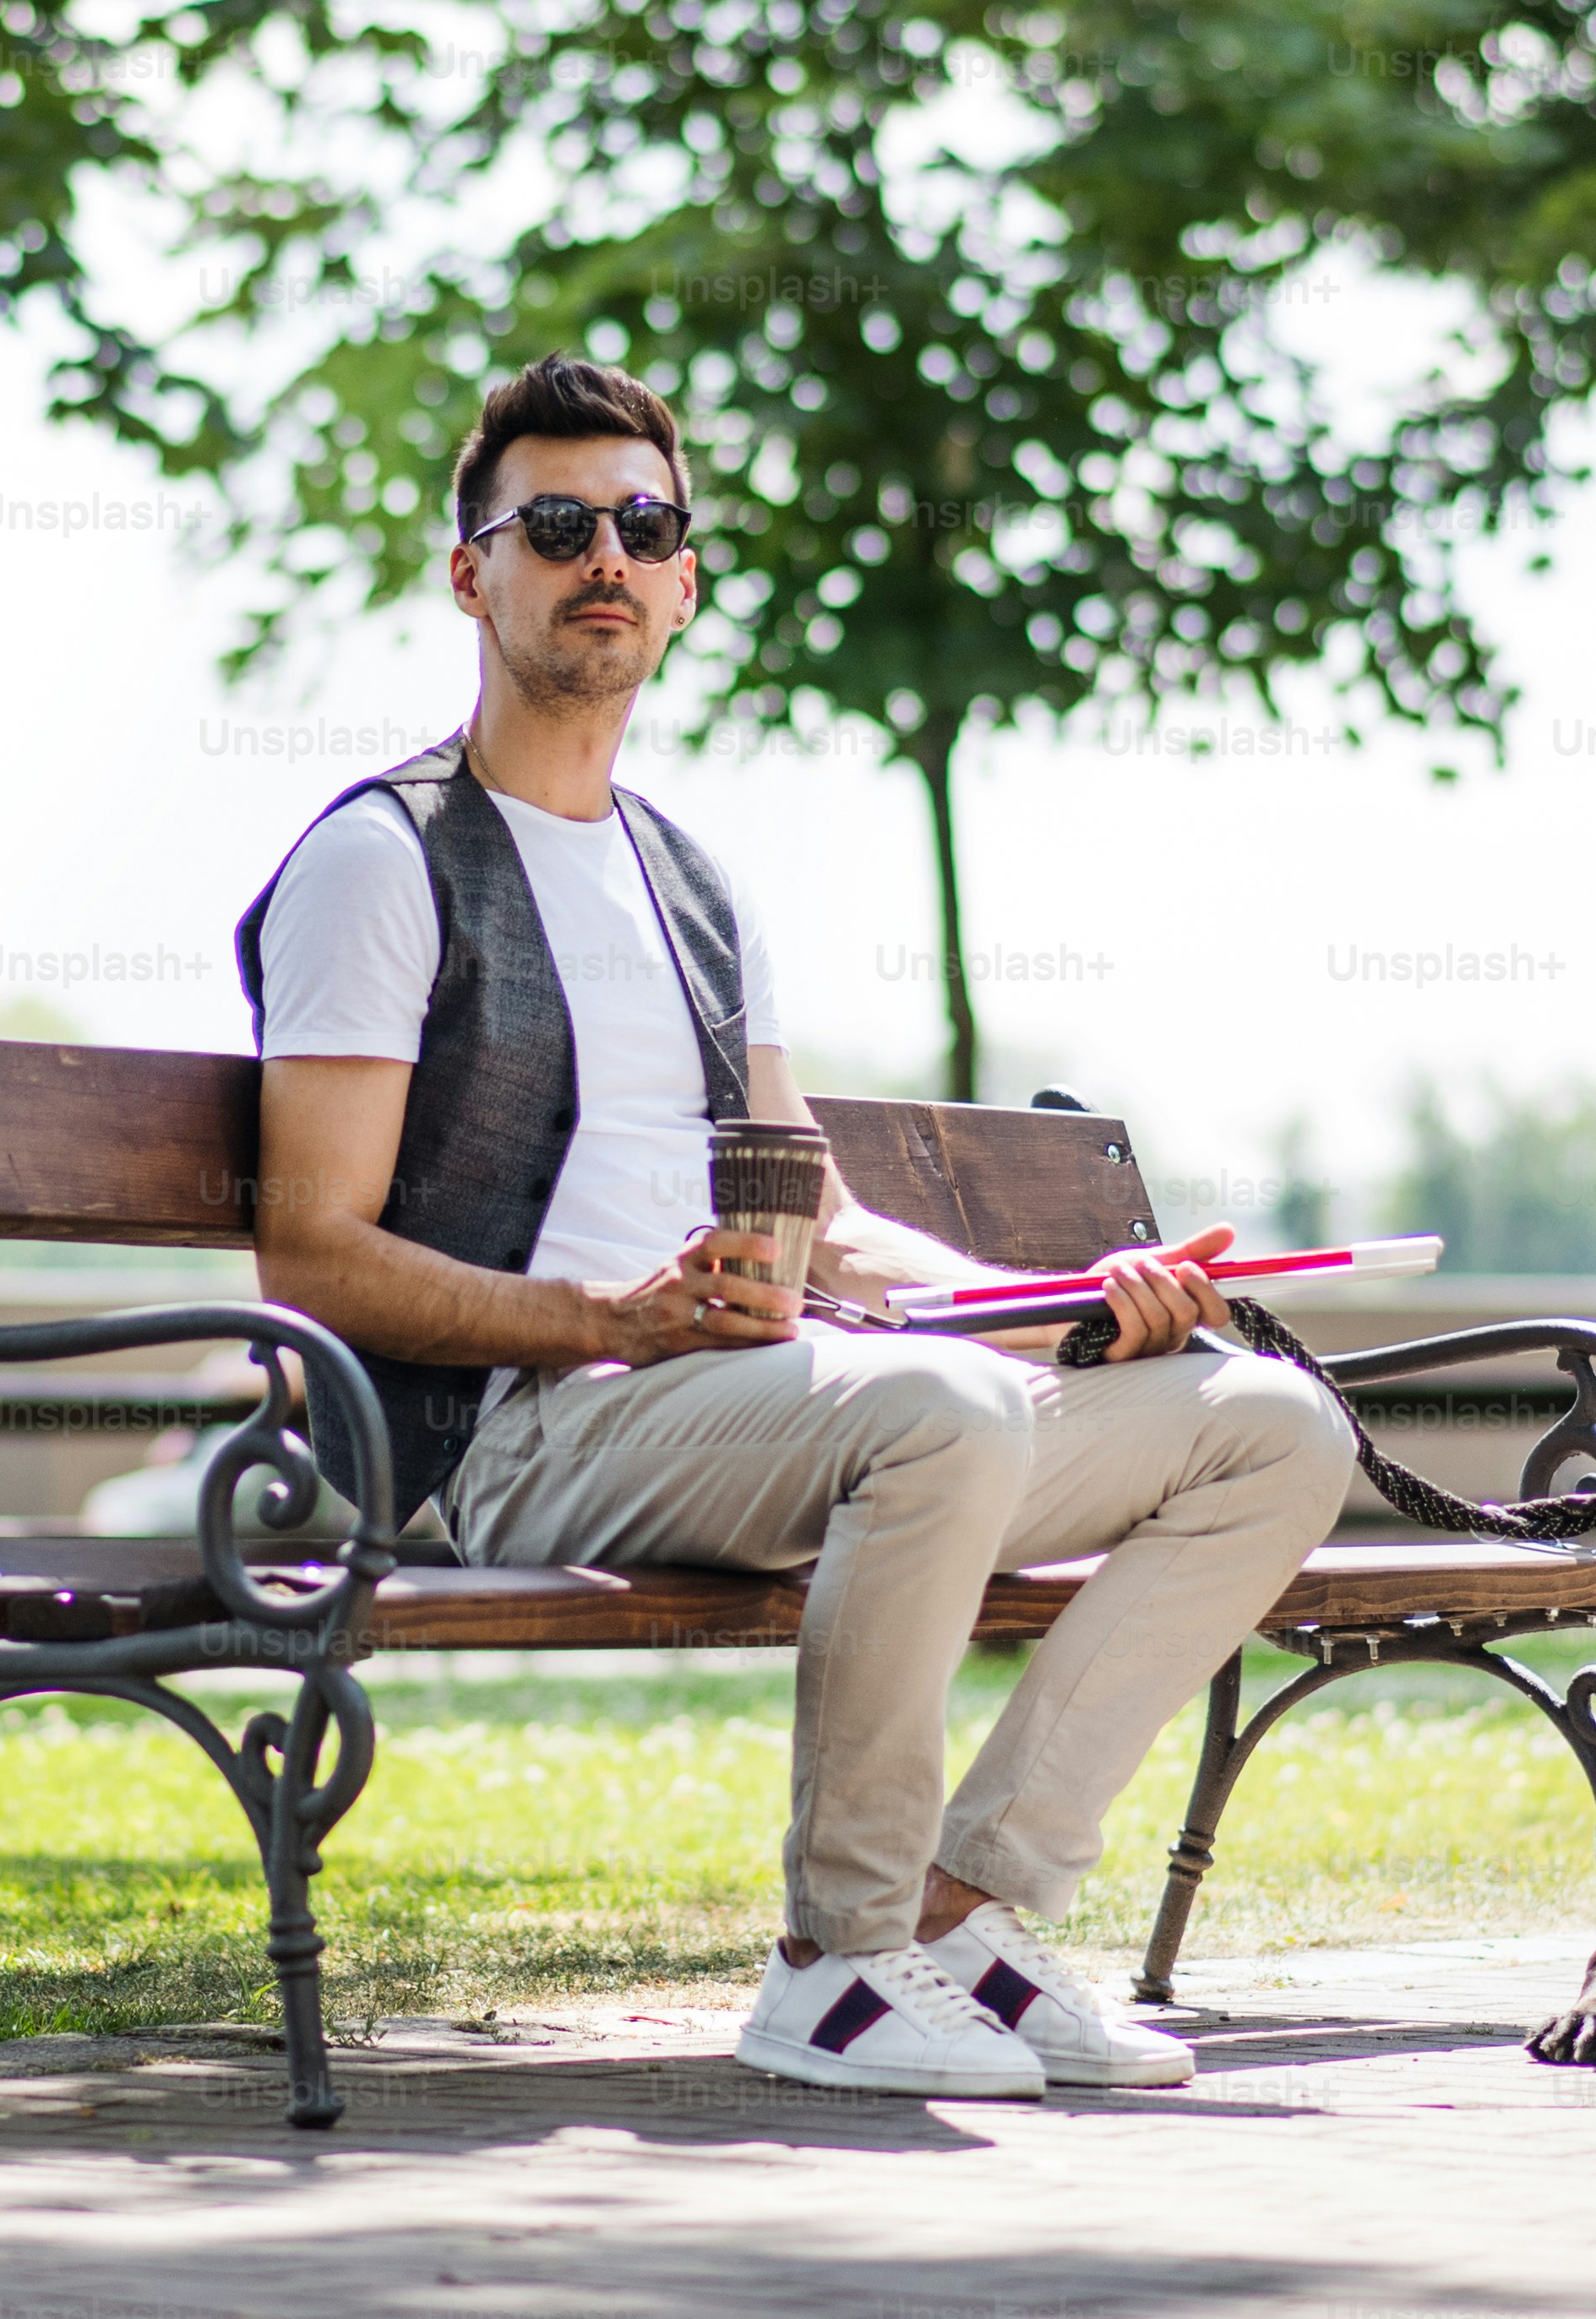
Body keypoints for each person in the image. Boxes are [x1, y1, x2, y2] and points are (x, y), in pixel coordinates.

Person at [239, 356, 1359, 2102]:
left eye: (644, 525)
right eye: (555, 524)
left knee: (1271, 1428)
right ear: (474, 572)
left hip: (758, 1407)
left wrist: (1078, 1307)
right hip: (508, 1435)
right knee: (943, 1417)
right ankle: (837, 1966)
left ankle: (968, 1923)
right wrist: (614, 1318)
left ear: (685, 581)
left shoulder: (693, 885)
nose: (603, 554)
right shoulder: (384, 861)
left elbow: (820, 1227)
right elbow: (308, 1252)